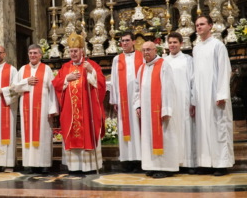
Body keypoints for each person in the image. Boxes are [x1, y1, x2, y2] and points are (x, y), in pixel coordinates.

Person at [52, 32, 106, 173]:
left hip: (87, 111)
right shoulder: (65, 68)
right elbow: (56, 84)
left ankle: (89, 166)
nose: (73, 54)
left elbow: (101, 84)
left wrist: (91, 72)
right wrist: (66, 79)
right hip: (70, 113)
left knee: (87, 133)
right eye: (71, 51)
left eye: (76, 51)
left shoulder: (90, 64)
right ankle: (74, 167)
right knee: (71, 135)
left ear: (82, 51)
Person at [192, 16, 234, 176]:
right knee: (203, 129)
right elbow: (196, 75)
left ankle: (221, 164)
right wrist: (194, 98)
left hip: (216, 94)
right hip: (201, 95)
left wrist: (222, 93)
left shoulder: (218, 45)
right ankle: (205, 163)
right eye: (197, 25)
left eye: (202, 24)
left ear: (210, 26)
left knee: (219, 128)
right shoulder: (196, 48)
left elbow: (225, 70)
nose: (199, 27)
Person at [133, 41, 178, 178]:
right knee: (148, 137)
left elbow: (168, 88)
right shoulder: (141, 69)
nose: (146, 52)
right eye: (144, 50)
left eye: (149, 50)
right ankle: (151, 166)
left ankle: (165, 167)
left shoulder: (163, 65)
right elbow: (137, 90)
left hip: (160, 110)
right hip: (147, 111)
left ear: (155, 50)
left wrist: (166, 109)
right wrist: (138, 105)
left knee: (163, 136)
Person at [12, 44, 58, 174]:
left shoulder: (46, 69)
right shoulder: (22, 69)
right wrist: (26, 81)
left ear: (40, 55)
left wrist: (52, 108)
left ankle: (44, 164)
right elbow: (14, 87)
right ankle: (30, 164)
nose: (32, 55)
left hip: (43, 108)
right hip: (27, 108)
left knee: (44, 134)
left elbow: (52, 90)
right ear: (28, 54)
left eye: (35, 53)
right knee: (28, 135)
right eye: (30, 53)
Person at [109, 31, 143, 172]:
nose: (124, 43)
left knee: (139, 128)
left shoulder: (141, 56)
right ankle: (127, 160)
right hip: (123, 100)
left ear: (134, 41)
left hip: (138, 99)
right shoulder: (117, 59)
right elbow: (114, 80)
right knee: (125, 129)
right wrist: (115, 100)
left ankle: (140, 160)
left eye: (127, 40)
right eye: (122, 41)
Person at [164, 32, 196, 174]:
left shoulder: (187, 60)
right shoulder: (164, 61)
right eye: (170, 42)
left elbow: (193, 81)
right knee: (172, 131)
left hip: (184, 99)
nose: (172, 45)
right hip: (170, 101)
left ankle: (188, 162)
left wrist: (193, 100)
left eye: (175, 42)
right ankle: (174, 162)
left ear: (181, 44)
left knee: (186, 130)